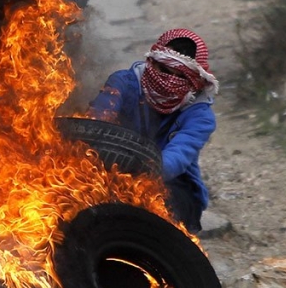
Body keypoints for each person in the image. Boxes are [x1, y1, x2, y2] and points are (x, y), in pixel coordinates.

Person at [87, 29, 219, 232]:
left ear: (194, 80)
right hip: (108, 169)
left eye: (180, 76)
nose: (169, 80)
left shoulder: (199, 115)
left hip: (170, 184)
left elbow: (177, 157)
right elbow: (98, 121)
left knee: (156, 212)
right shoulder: (124, 83)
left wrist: (140, 175)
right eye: (164, 70)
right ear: (152, 62)